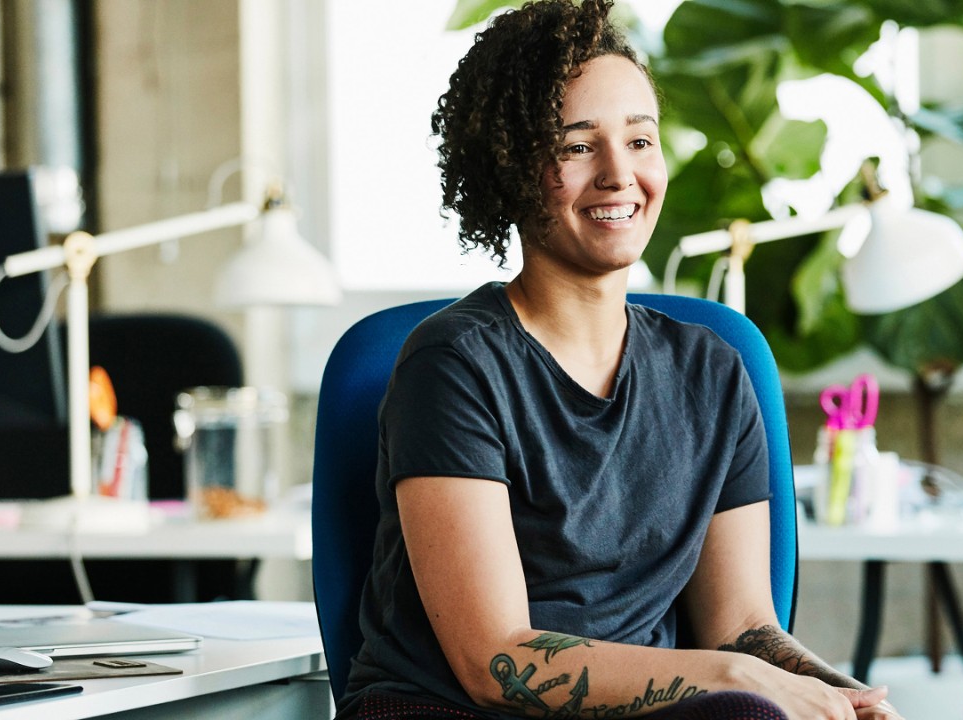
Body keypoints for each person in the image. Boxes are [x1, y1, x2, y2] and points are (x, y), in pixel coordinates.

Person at [336, 1, 904, 718]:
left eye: (640, 141)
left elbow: (743, 629)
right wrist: (742, 679)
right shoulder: (454, 365)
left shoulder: (714, 373)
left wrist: (838, 696)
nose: (618, 174)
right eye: (577, 146)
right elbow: (496, 659)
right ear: (511, 167)